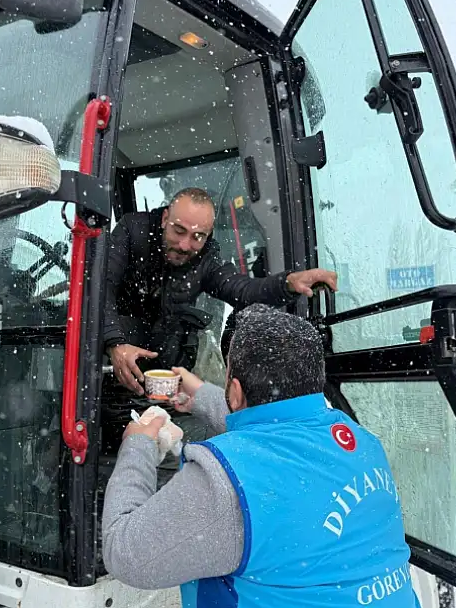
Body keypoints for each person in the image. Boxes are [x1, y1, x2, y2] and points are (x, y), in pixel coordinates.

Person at [101, 304, 420, 607]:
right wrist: (200, 396)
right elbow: (278, 426)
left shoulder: (228, 484)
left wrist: (138, 444)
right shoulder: (362, 442)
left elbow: (124, 552)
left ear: (236, 391)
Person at [104, 187, 338, 394]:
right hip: (110, 360)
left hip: (167, 369)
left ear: (208, 234)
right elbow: (100, 289)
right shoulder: (132, 230)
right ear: (165, 218)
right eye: (179, 230)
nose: (185, 245)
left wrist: (287, 284)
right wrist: (115, 344)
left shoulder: (207, 259)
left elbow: (244, 291)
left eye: (198, 236)